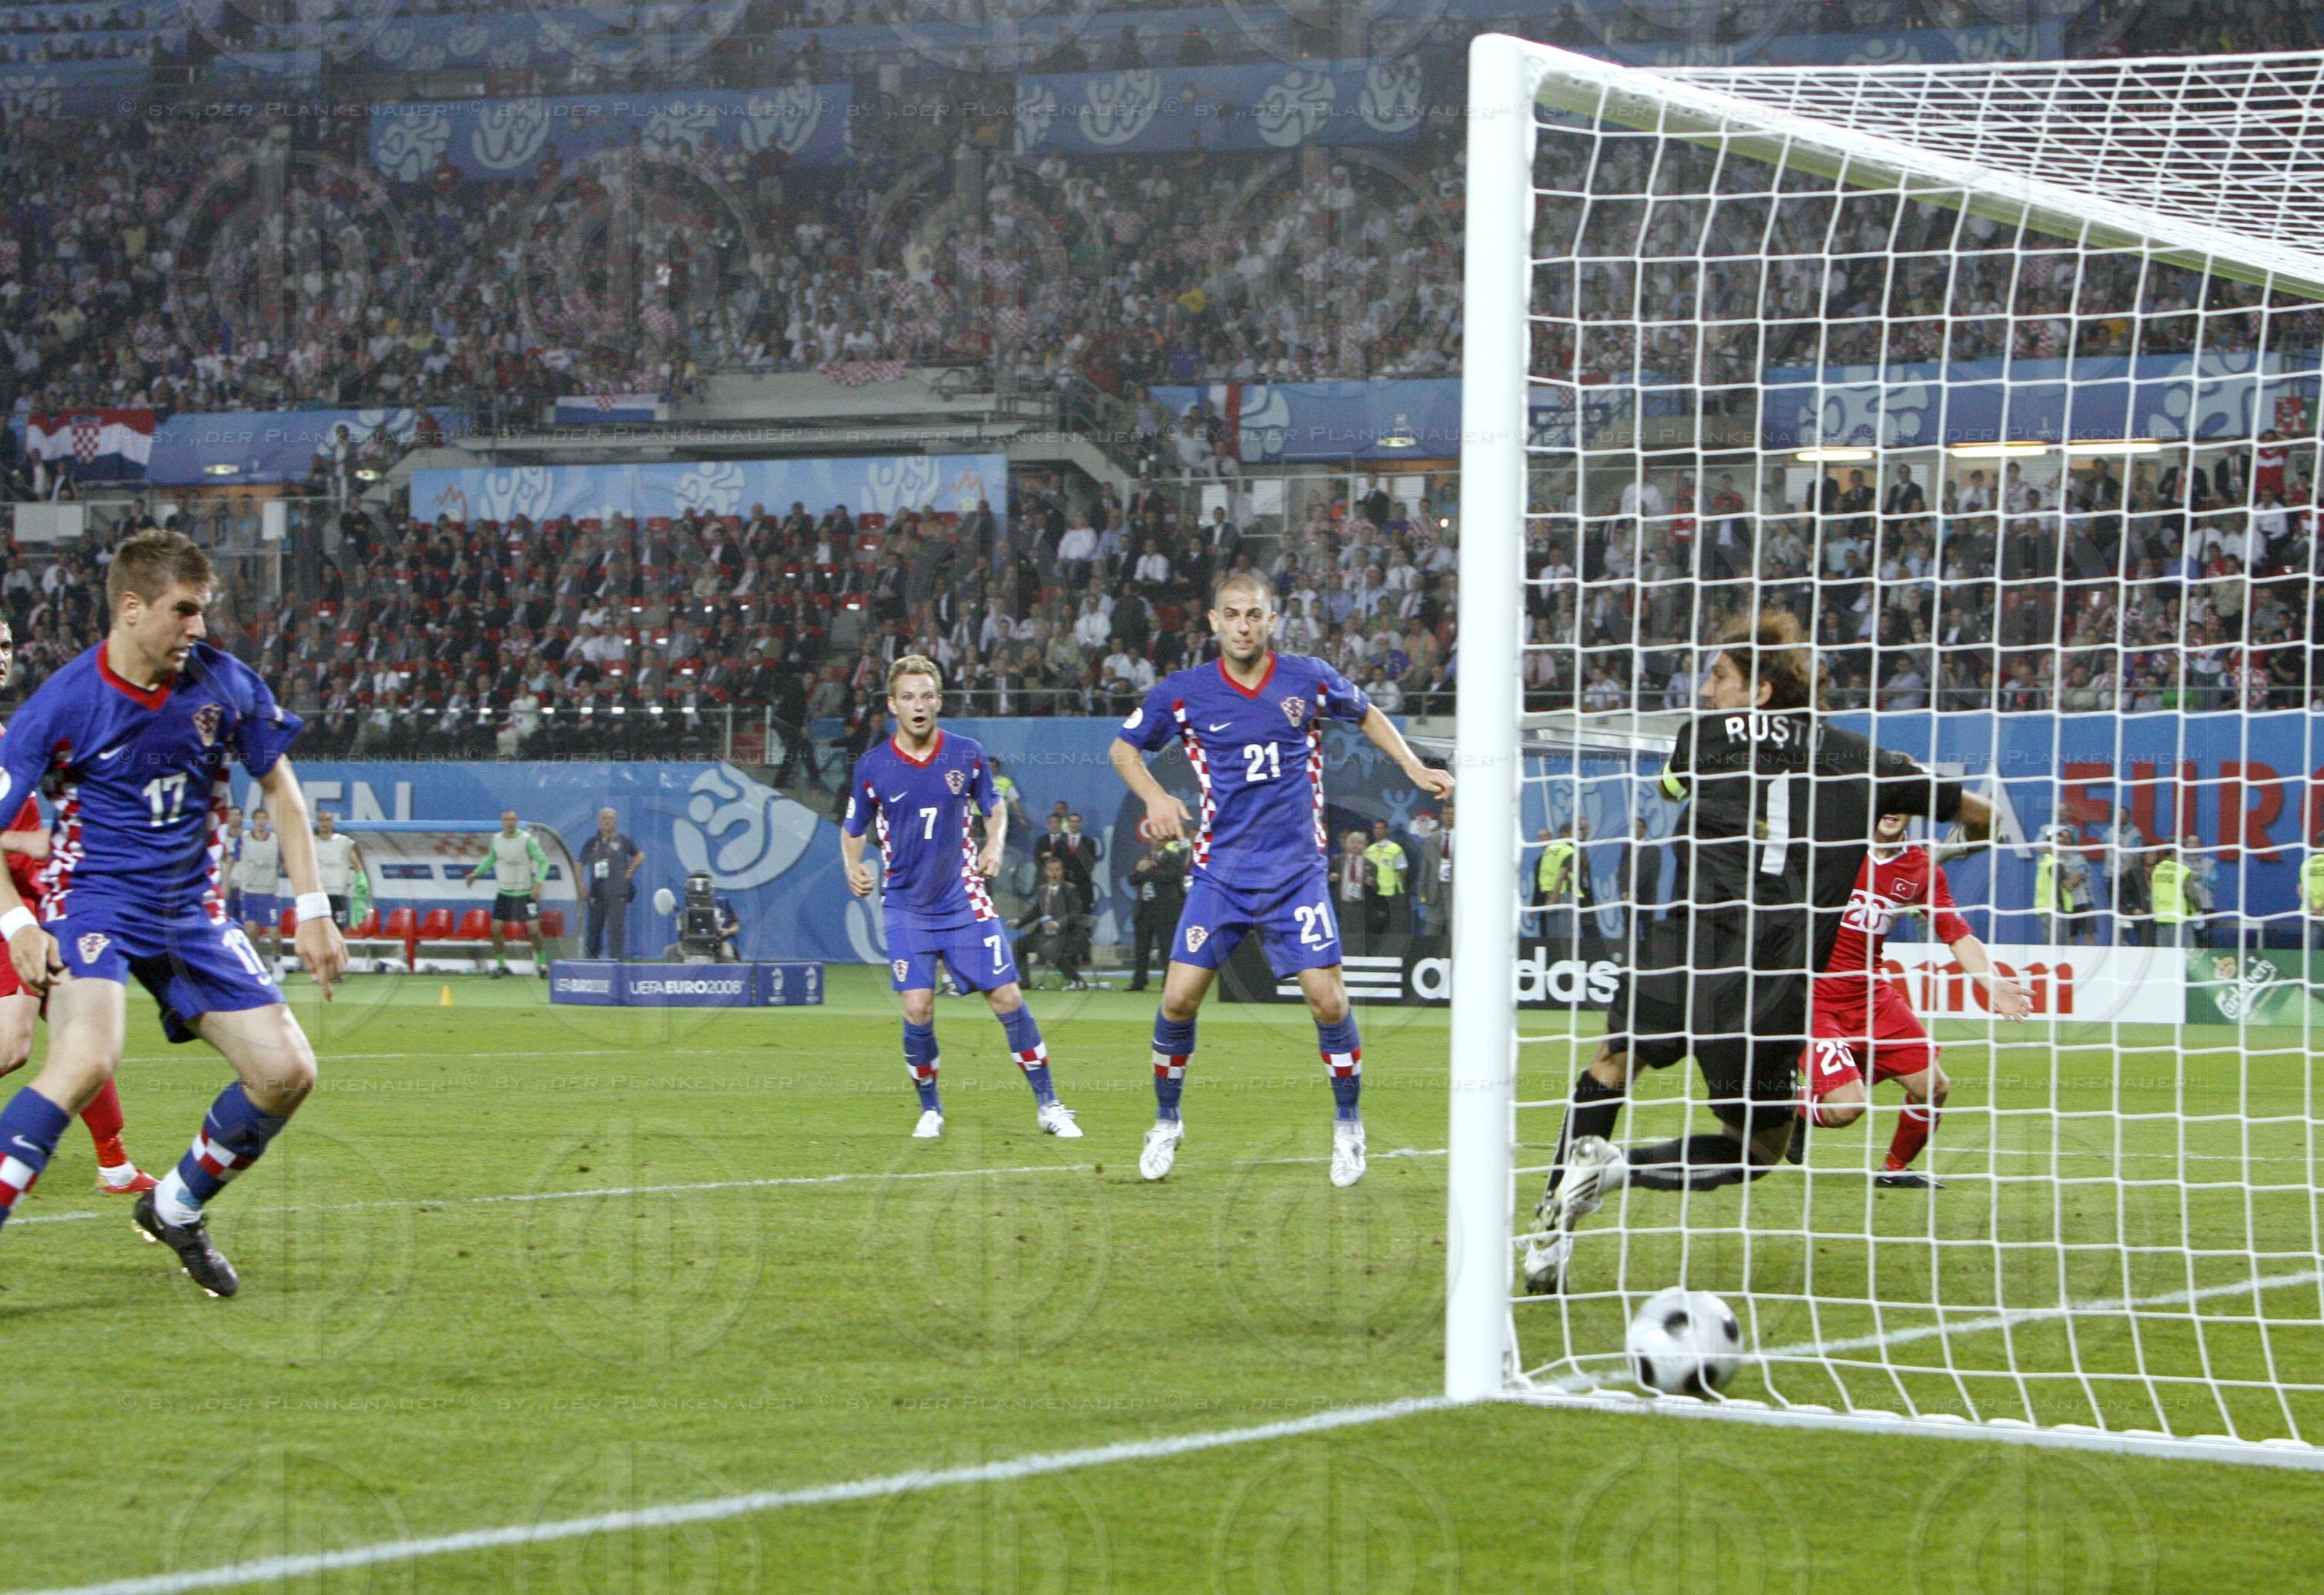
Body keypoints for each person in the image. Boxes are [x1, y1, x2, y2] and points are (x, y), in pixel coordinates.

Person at [1525, 610, 1987, 1292]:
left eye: (1719, 676)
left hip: (1684, 945)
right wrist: (1962, 834)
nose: (1706, 691)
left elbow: (1672, 787)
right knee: (1757, 1150)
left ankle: (1549, 1233)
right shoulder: (1867, 759)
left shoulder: (1701, 739)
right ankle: (1618, 1168)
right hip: (1773, 978)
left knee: (1613, 1061)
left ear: (1762, 690)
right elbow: (1980, 815)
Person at [0, 529, 349, 1295]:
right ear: (131, 609)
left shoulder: (226, 685)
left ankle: (175, 1206)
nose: (198, 628)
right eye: (183, 610)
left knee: (287, 1072)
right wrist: (19, 924)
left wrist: (313, 908)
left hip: (190, 911)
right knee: (88, 1057)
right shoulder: (63, 702)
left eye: (204, 611)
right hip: (93, 899)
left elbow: (282, 790)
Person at [1110, 571, 1455, 1188]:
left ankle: (1349, 1127)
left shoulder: (1308, 677)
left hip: (1295, 873)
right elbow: (1124, 750)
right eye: (1232, 614)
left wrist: (1412, 764)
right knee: (1177, 998)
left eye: (1255, 614)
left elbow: (1368, 711)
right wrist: (1157, 797)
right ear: (1213, 622)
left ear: (1272, 621)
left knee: (1328, 1000)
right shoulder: (1184, 691)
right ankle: (1166, 1121)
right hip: (1220, 874)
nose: (1243, 624)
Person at [842, 655, 1080, 1140]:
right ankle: (930, 1108)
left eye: (927, 695)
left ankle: (1050, 1104)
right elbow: (852, 829)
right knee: (917, 1010)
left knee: (1008, 997)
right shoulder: (872, 766)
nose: (918, 705)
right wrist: (853, 865)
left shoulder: (966, 753)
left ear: (939, 701)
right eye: (907, 697)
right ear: (892, 704)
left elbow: (994, 809)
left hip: (962, 901)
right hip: (906, 905)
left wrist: (993, 845)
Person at [0, 611, 158, 1195]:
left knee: (84, 1028)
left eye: (7, 643)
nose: (1, 655)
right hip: (9, 910)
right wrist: (30, 841)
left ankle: (115, 1165)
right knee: (14, 1045)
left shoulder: (12, 732)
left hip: (40, 901)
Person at [1790, 811, 2032, 1188]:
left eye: (1903, 800)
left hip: (1871, 998)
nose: (1892, 810)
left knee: (1933, 1087)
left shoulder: (1921, 868)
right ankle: (1788, 1106)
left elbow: (1957, 934)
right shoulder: (1830, 847)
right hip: (1812, 999)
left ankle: (1893, 1171)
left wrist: (1993, 984)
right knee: (1846, 1108)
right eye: (1887, 798)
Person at [467, 809, 551, 978]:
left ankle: (542, 964)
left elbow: (544, 862)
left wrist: (539, 884)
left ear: (517, 821)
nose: (510, 823)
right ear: (502, 822)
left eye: (512, 820)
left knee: (534, 931)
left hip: (525, 893)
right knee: (495, 929)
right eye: (506, 820)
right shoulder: (496, 839)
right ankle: (501, 965)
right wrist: (476, 873)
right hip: (504, 893)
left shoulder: (527, 840)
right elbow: (491, 858)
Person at [1013, 856, 1090, 990]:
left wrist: (1058, 924)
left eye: (1057, 870)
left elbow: (1075, 914)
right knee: (1019, 944)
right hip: (1044, 935)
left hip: (1067, 935)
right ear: (1045, 872)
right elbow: (1035, 912)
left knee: (1051, 948)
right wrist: (1019, 921)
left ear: (1062, 871)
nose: (1054, 873)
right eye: (1051, 870)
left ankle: (1077, 980)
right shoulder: (1042, 890)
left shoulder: (1070, 889)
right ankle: (1024, 982)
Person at [577, 808, 643, 960]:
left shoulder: (622, 840)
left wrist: (631, 869)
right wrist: (580, 884)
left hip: (618, 892)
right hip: (597, 894)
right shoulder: (592, 842)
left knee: (616, 931)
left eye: (610, 818)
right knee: (594, 930)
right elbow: (580, 863)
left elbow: (640, 855)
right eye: (604, 818)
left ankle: (616, 963)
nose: (607, 821)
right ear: (599, 821)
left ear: (615, 821)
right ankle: (591, 963)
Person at [1125, 834, 1188, 992]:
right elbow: (1132, 879)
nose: (1157, 841)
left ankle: (1168, 984)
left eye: (1160, 839)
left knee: (1166, 948)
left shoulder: (1173, 858)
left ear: (1166, 841)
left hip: (1165, 909)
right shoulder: (1144, 856)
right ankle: (1139, 981)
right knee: (1141, 948)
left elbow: (1169, 877)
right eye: (1154, 838)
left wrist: (1148, 869)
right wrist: (1141, 870)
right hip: (1144, 908)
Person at [238, 808, 283, 966]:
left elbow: (285, 863)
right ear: (253, 821)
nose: (261, 821)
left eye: (265, 818)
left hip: (269, 893)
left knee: (275, 934)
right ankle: (257, 962)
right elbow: (231, 859)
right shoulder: (243, 839)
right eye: (258, 818)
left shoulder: (276, 840)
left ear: (268, 821)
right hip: (250, 892)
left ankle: (278, 961)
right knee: (250, 930)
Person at [312, 809, 359, 928]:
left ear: (332, 822)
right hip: (318, 893)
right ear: (317, 823)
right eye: (321, 820)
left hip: (338, 893)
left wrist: (360, 883)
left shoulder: (344, 842)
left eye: (328, 820)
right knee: (319, 931)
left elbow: (357, 865)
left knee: (338, 929)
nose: (324, 824)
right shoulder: (311, 842)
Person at [1362, 818, 1407, 941]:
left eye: (1381, 828)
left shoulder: (1395, 849)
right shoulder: (1369, 850)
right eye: (1376, 828)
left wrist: (1395, 885)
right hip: (1373, 892)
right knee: (1374, 922)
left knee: (1392, 923)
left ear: (1387, 831)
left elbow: (1403, 870)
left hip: (1391, 893)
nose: (1378, 831)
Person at [1413, 806, 1452, 940]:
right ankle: (1431, 960)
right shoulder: (1433, 839)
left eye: (1452, 814)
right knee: (1432, 932)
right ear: (1441, 816)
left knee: (1455, 932)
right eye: (1446, 814)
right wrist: (1422, 891)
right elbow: (1426, 867)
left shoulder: (1465, 838)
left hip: (1455, 893)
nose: (1449, 817)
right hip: (1435, 892)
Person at [2150, 843, 2193, 948]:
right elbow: (2191, 894)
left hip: (2160, 917)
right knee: (2186, 955)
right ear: (2175, 852)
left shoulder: (2157, 870)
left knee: (2165, 956)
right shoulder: (2183, 871)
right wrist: (2197, 911)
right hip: (2180, 918)